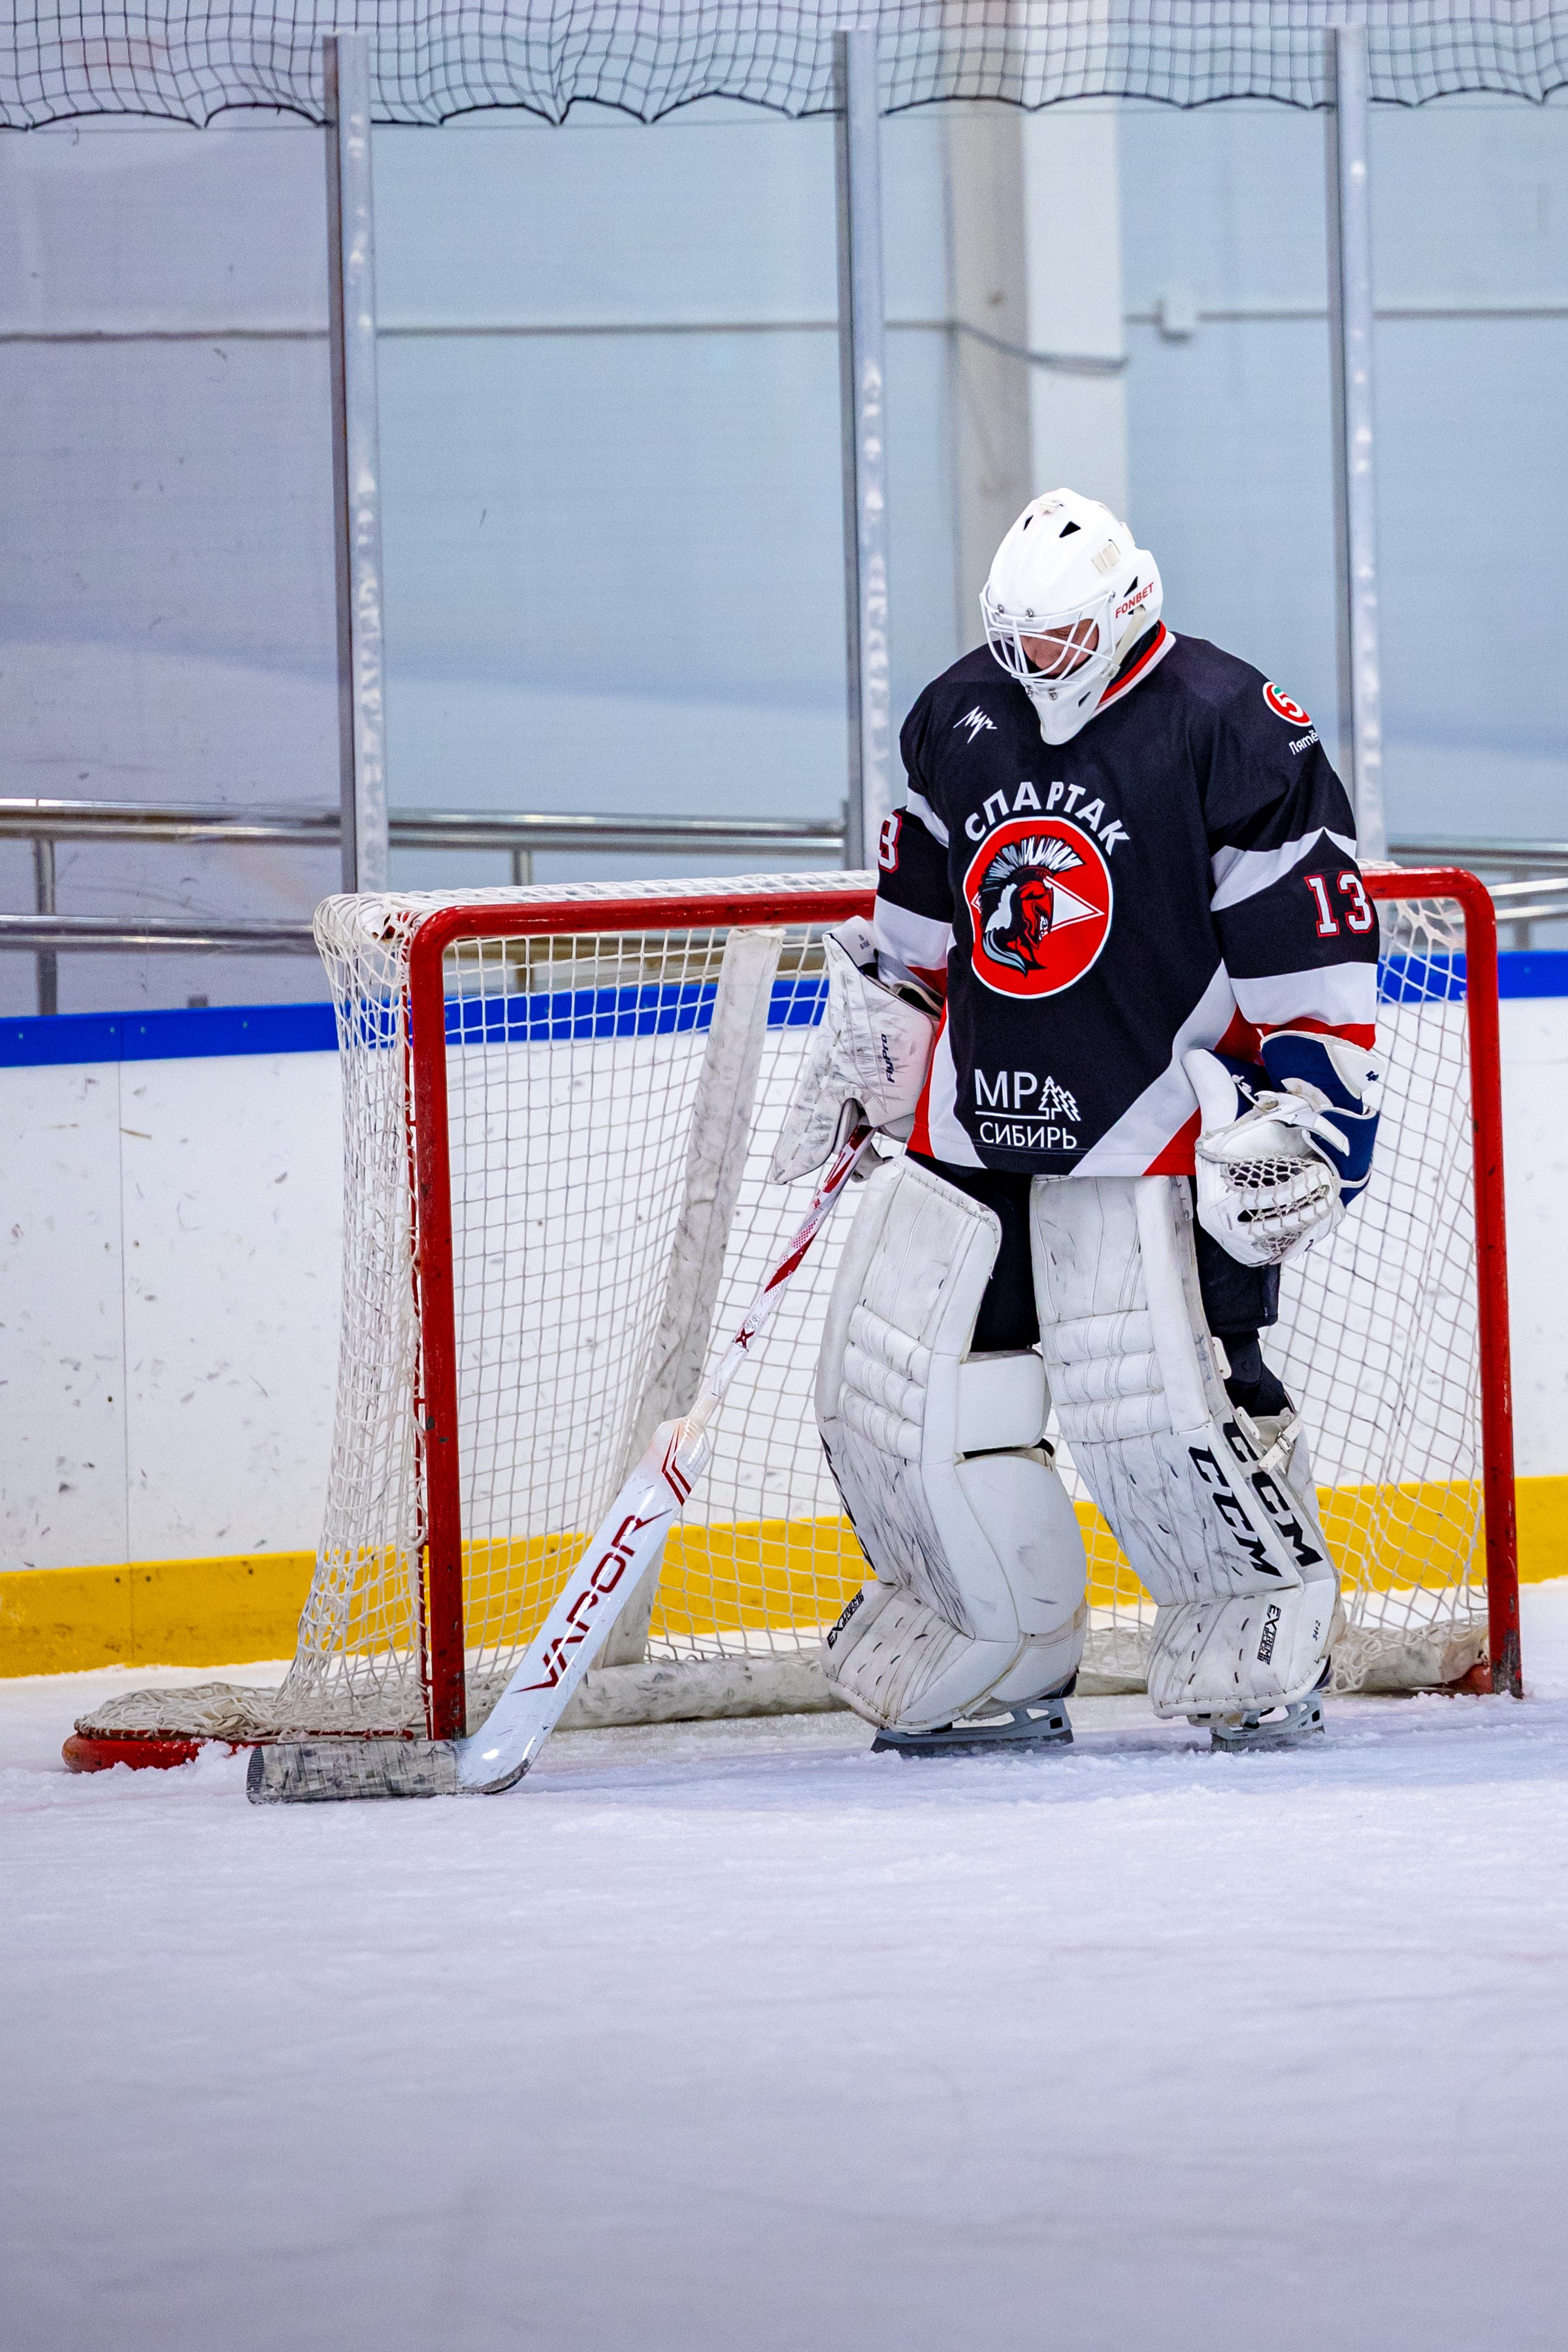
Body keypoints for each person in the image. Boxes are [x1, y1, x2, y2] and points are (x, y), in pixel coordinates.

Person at [772, 488, 1381, 1756]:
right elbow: (923, 907)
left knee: (1160, 1407)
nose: (1030, 664)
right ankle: (993, 1637)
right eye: (1014, 640)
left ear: (1127, 608)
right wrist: (879, 1028)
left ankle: (1258, 1621)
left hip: (1155, 1129)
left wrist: (1314, 1114)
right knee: (904, 1397)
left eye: (1052, 641)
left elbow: (1308, 938)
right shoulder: (961, 712)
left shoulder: (1228, 723)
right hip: (976, 1122)